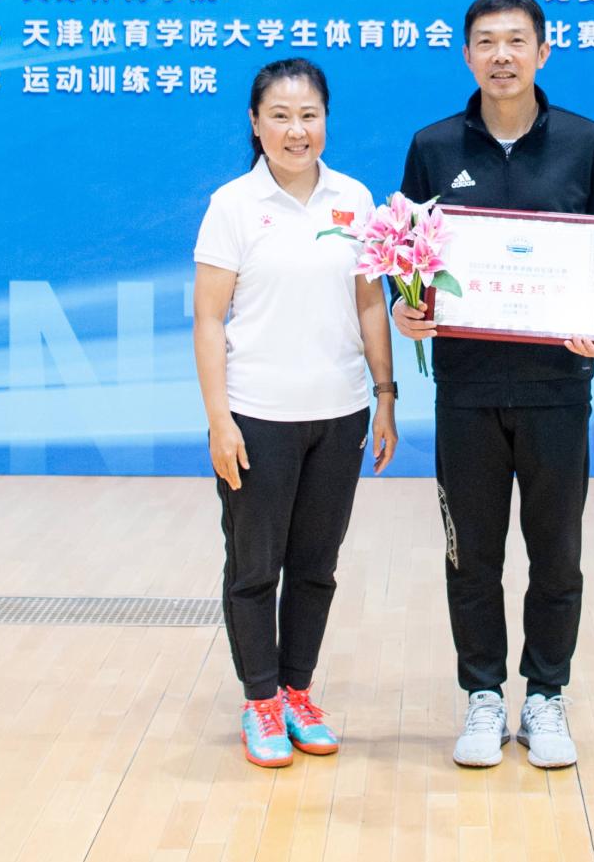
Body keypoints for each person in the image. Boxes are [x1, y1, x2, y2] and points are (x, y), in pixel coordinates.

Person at [392, 0, 594, 771]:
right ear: (467, 55)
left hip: (557, 388)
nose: (502, 55)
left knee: (556, 553)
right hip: (466, 389)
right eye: (486, 42)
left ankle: (545, 695)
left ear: (543, 50)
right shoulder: (433, 146)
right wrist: (407, 306)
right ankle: (482, 694)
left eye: (516, 40)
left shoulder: (586, 142)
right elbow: (409, 257)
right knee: (472, 555)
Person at [193, 57, 399, 769]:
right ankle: (260, 700)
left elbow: (370, 302)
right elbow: (209, 319)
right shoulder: (232, 205)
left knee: (316, 567)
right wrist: (220, 419)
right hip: (257, 416)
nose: (296, 129)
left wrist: (385, 394)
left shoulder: (355, 199)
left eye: (309, 115)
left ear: (326, 120)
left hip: (340, 414)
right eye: (279, 116)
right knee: (255, 567)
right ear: (255, 124)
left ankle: (297, 692)